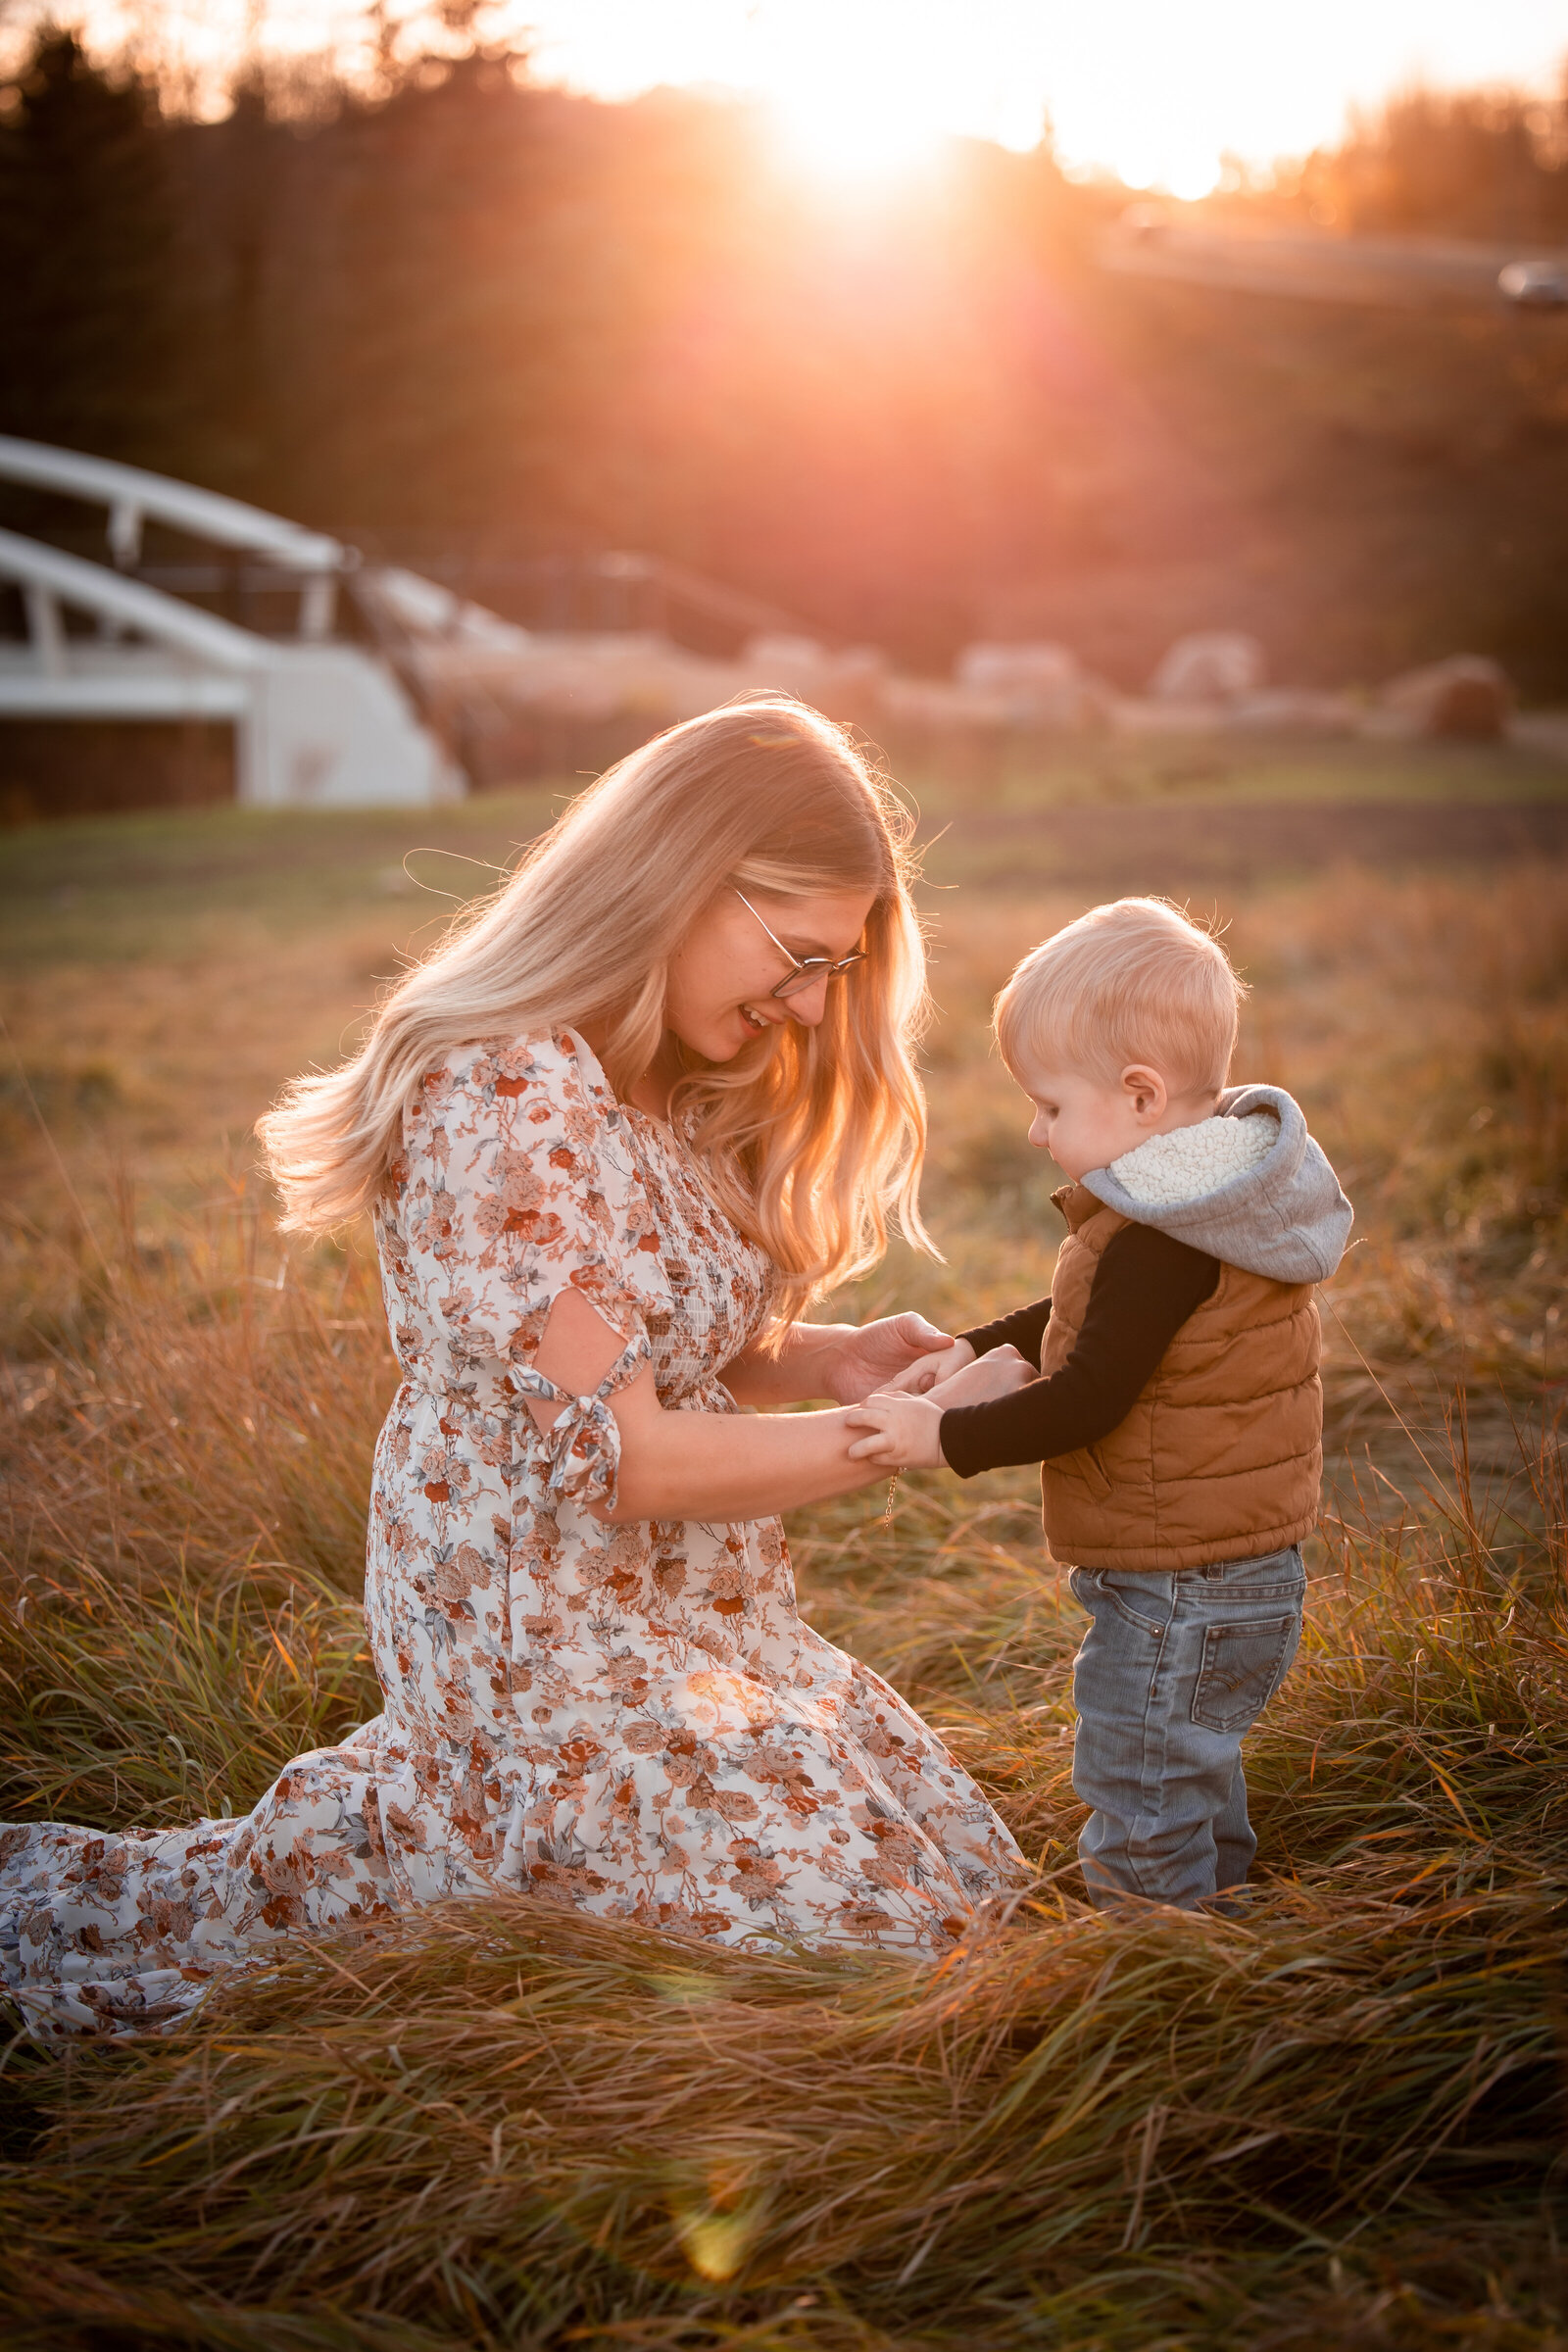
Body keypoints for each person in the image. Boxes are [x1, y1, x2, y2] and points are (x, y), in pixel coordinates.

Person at [0, 700, 1029, 2040]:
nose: (814, 1003)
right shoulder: (503, 1093)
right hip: (554, 1675)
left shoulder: (652, 1075)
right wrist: (891, 1434)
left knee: (963, 1893)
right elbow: (624, 1451)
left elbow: (641, 1355)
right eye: (798, 954)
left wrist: (835, 1355)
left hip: (697, 1637)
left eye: (839, 966)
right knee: (881, 1957)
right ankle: (435, 1845)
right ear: (675, 879)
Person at [847, 898, 1352, 1912]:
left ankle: (1154, 1971)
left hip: (1179, 1588)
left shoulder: (1163, 1236)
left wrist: (941, 1436)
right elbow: (1088, 1320)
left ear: (1137, 1097)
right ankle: (1224, 1928)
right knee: (1186, 1782)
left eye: (1047, 1106)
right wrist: (974, 1346)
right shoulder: (1202, 1194)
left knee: (1140, 1796)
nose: (1033, 1132)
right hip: (1234, 1572)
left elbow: (1086, 1397)